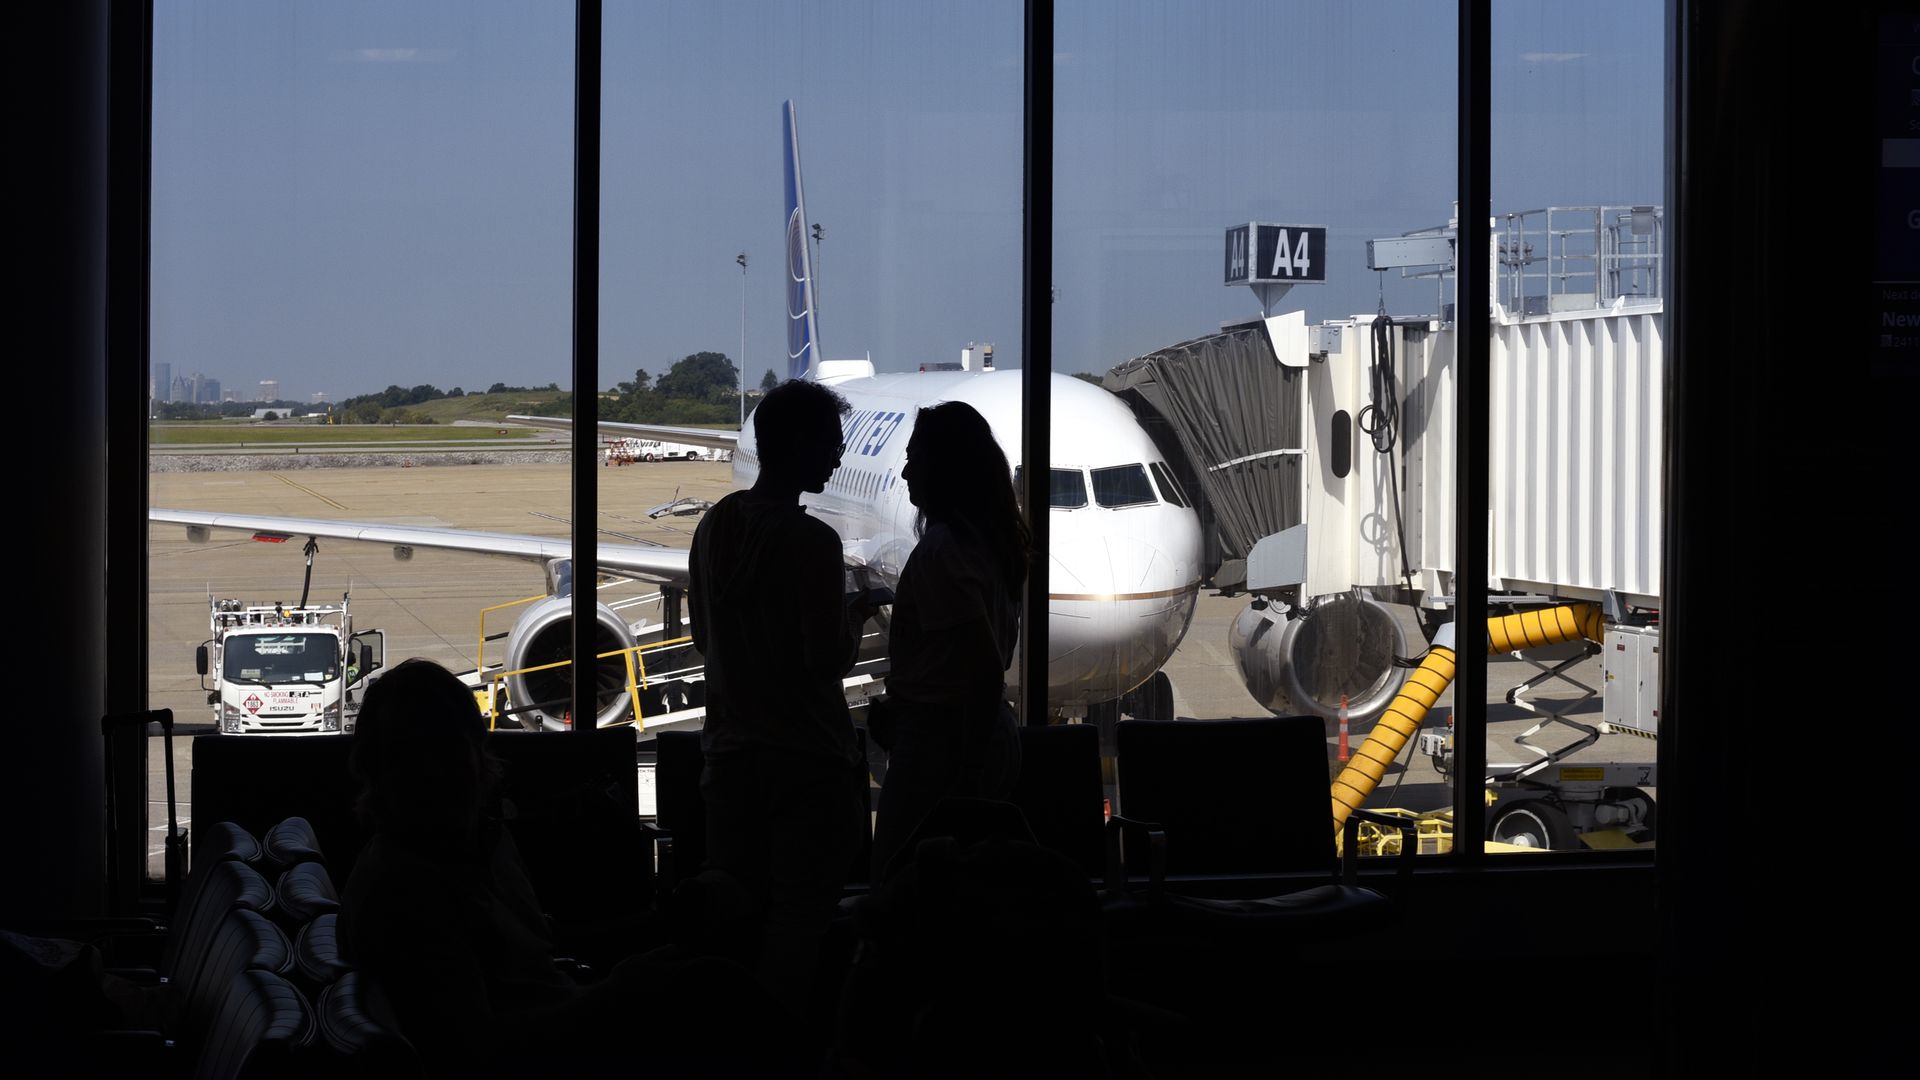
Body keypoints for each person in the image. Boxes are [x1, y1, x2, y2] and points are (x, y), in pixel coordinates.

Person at [338, 658, 785, 1076]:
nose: (438, 774)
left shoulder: (470, 844)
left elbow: (538, 951)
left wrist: (663, 935)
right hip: (555, 1055)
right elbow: (479, 1047)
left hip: (569, 1013)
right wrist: (617, 992)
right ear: (379, 773)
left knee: (714, 965)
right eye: (416, 760)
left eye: (450, 752)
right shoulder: (406, 890)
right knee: (718, 988)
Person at [686, 378, 874, 1013]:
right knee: (798, 927)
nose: (838, 458)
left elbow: (703, 637)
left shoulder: (714, 527)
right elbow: (824, 661)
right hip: (806, 766)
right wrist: (857, 616)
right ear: (796, 448)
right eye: (829, 444)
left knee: (733, 919)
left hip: (731, 761)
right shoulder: (812, 542)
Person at [869, 400, 1029, 881]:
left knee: (898, 885)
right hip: (980, 731)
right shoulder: (991, 542)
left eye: (916, 458)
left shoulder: (944, 550)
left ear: (944, 469)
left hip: (946, 742)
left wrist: (916, 716)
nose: (904, 472)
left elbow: (977, 668)